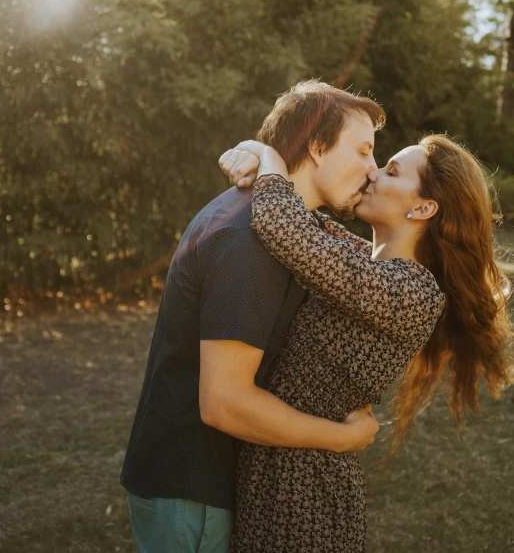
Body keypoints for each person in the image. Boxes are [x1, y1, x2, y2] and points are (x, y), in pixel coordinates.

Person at [120, 81, 385, 553]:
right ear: (317, 146)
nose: (373, 170)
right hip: (192, 489)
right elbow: (224, 401)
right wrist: (342, 439)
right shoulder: (248, 239)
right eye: (363, 151)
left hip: (205, 485)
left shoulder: (283, 228)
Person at [218, 133, 513, 553]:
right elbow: (300, 219)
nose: (372, 172)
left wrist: (266, 153)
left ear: (423, 207)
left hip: (305, 493)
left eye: (391, 171)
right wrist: (256, 161)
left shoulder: (411, 291)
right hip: (281, 466)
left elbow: (282, 225)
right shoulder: (363, 260)